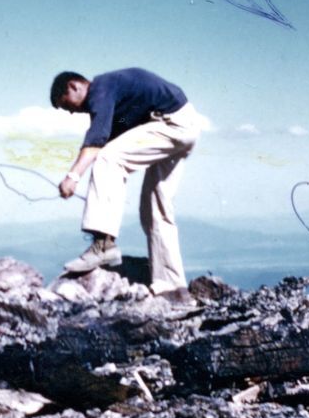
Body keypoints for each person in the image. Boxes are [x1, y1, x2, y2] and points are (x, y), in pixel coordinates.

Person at [50, 67, 202, 299]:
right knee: (155, 210)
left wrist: (73, 176)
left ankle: (103, 245)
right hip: (184, 125)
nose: (70, 112)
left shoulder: (100, 89)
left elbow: (98, 141)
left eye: (65, 103)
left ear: (74, 86)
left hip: (172, 124)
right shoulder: (112, 95)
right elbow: (113, 129)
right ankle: (173, 290)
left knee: (108, 158)